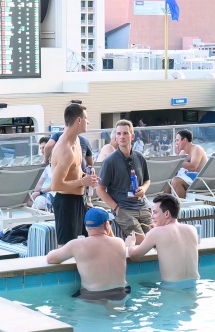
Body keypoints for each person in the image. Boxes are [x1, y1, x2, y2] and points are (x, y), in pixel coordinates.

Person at [46, 207, 130, 300]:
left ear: (86, 227)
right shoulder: (120, 242)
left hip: (92, 297)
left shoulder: (76, 245)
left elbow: (50, 259)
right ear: (107, 224)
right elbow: (110, 241)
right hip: (120, 295)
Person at [125, 193, 200, 288]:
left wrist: (130, 244)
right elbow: (174, 248)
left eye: (155, 212)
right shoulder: (192, 229)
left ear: (167, 214)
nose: (152, 217)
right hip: (193, 285)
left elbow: (134, 256)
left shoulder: (156, 232)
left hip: (171, 289)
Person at [96, 119, 151, 238]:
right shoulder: (110, 161)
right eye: (119, 133)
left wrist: (143, 189)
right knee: (141, 240)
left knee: (157, 238)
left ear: (132, 136)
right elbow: (100, 189)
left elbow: (147, 180)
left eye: (125, 133)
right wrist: (116, 208)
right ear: (115, 137)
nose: (122, 136)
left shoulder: (140, 157)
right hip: (124, 209)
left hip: (143, 206)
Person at [48, 102, 90, 244]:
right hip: (67, 203)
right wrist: (82, 182)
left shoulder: (77, 140)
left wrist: (86, 177)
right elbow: (55, 185)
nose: (88, 122)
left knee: (85, 243)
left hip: (80, 200)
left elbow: (75, 171)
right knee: (66, 248)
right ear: (78, 120)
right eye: (86, 118)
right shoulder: (66, 150)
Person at [171, 128, 208, 199]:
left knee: (176, 181)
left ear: (184, 140)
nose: (176, 143)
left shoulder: (196, 149)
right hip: (190, 178)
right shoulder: (183, 152)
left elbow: (193, 167)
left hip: (200, 180)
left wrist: (177, 161)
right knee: (168, 180)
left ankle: (181, 206)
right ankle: (167, 205)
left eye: (177, 140)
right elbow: (176, 167)